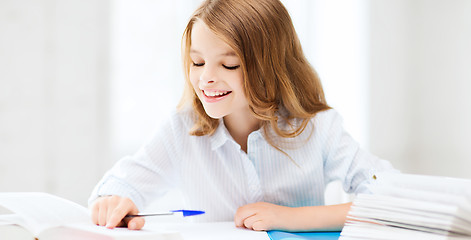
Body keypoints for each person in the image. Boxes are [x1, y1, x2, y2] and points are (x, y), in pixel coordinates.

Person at [89, 0, 395, 232]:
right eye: (197, 62)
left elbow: (392, 200)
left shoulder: (317, 128)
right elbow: (119, 185)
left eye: (229, 65)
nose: (206, 78)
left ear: (271, 68)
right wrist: (114, 203)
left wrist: (288, 218)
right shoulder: (183, 128)